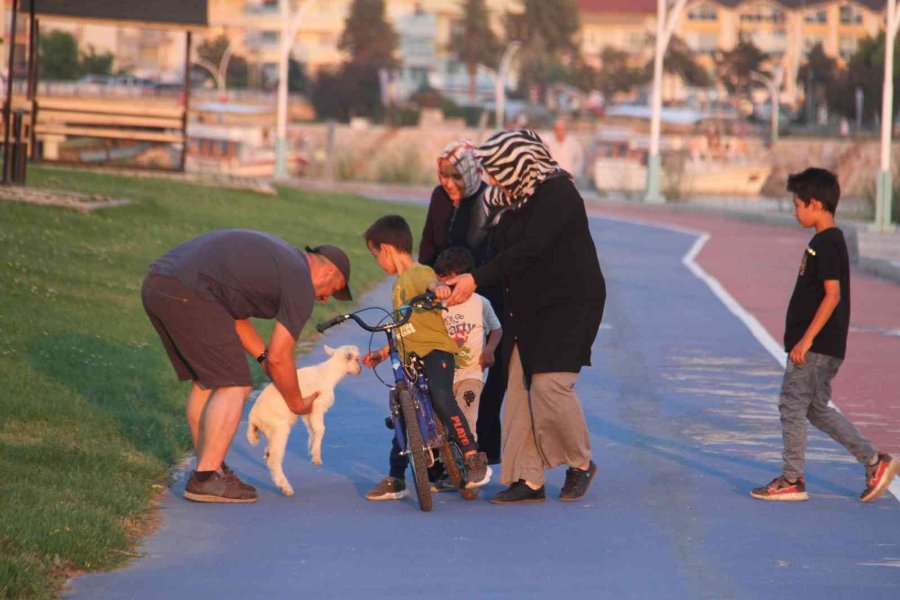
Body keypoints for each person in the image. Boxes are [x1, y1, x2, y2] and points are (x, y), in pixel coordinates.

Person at [445, 129, 606, 505]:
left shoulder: (559, 195)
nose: (493, 179)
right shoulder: (510, 200)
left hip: (569, 305)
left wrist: (476, 280)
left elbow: (529, 251)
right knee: (517, 391)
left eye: (498, 170)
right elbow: (487, 250)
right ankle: (526, 479)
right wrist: (457, 280)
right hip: (523, 306)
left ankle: (580, 463)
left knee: (550, 386)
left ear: (518, 164)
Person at [141, 230, 352, 503]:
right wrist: (296, 403)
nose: (324, 299)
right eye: (331, 291)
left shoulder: (282, 261)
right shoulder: (299, 280)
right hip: (189, 292)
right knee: (235, 384)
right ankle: (205, 478)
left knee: (210, 381)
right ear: (328, 272)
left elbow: (237, 321)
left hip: (159, 283)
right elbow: (280, 356)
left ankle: (211, 468)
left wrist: (263, 358)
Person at [750, 168, 900, 502]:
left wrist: (805, 340)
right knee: (816, 409)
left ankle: (792, 479)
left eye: (798, 204)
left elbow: (832, 295)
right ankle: (875, 462)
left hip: (814, 348)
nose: (794, 211)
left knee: (791, 403)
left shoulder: (827, 243)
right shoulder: (826, 242)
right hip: (824, 346)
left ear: (816, 204)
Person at [361, 215, 490, 501]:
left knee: (442, 395)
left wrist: (438, 288)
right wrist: (384, 352)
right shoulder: (398, 286)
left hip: (435, 350)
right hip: (411, 355)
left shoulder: (416, 273)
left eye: (374, 255)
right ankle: (397, 477)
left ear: (386, 249)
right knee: (401, 408)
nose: (376, 262)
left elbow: (429, 282)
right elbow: (405, 327)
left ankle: (471, 455)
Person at [418, 139, 507, 465]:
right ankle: (442, 462)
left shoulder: (490, 199)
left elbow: (499, 257)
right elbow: (427, 251)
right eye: (443, 175)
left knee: (482, 389)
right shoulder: (439, 199)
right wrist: (430, 284)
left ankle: (480, 458)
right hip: (442, 301)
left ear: (471, 173)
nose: (449, 184)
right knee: (440, 384)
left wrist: (473, 284)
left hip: (482, 302)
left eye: (456, 176)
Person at [433, 247, 502, 446]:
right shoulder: (438, 304)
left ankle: (470, 464)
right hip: (443, 376)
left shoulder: (480, 303)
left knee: (466, 418)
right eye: (443, 280)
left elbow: (496, 329)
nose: (448, 285)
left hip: (472, 374)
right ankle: (450, 468)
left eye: (452, 280)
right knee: (443, 424)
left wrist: (489, 350)